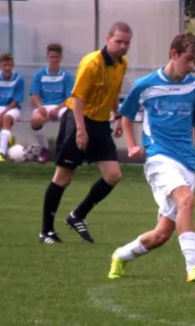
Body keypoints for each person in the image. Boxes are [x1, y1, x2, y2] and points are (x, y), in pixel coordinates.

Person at [108, 32, 195, 283]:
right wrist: (131, 145)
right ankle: (194, 267)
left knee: (162, 234)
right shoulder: (146, 84)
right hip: (159, 159)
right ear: (173, 54)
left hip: (186, 162)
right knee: (186, 200)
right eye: (188, 59)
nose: (192, 66)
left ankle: (120, 255)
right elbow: (127, 115)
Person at [39, 22, 131, 244]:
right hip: (78, 120)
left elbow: (113, 92)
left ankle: (77, 215)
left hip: (100, 125)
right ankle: (46, 232)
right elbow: (78, 98)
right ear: (108, 38)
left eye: (126, 43)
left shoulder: (122, 63)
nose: (122, 46)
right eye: (118, 41)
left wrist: (117, 116)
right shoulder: (91, 63)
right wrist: (80, 131)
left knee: (113, 175)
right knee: (63, 177)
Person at [29, 43, 74, 164]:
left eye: (57, 57)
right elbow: (34, 95)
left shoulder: (67, 76)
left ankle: (63, 152)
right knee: (35, 120)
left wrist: (57, 109)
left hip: (61, 106)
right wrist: (40, 106)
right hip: (44, 106)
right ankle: (45, 148)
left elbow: (70, 98)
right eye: (52, 57)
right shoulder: (39, 75)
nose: (54, 60)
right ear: (48, 58)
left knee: (69, 118)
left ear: (61, 58)